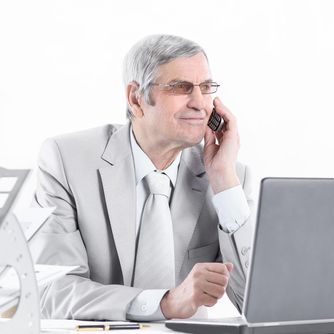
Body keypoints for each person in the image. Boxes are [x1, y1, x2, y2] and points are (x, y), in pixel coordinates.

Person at [30, 34, 254, 321]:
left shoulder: (228, 176)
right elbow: (52, 290)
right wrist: (164, 303)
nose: (200, 103)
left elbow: (259, 305)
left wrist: (224, 182)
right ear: (136, 98)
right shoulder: (66, 160)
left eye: (206, 87)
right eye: (181, 87)